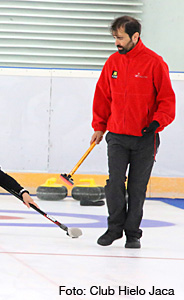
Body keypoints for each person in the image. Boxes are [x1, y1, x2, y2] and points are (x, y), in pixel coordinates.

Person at [90, 16, 175, 248]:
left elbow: (167, 99)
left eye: (120, 38)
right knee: (114, 183)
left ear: (135, 36)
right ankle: (114, 228)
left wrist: (157, 123)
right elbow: (103, 97)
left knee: (137, 187)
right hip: (116, 136)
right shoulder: (112, 63)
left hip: (145, 138)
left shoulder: (155, 63)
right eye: (114, 38)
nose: (116, 42)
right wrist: (99, 126)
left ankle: (133, 233)